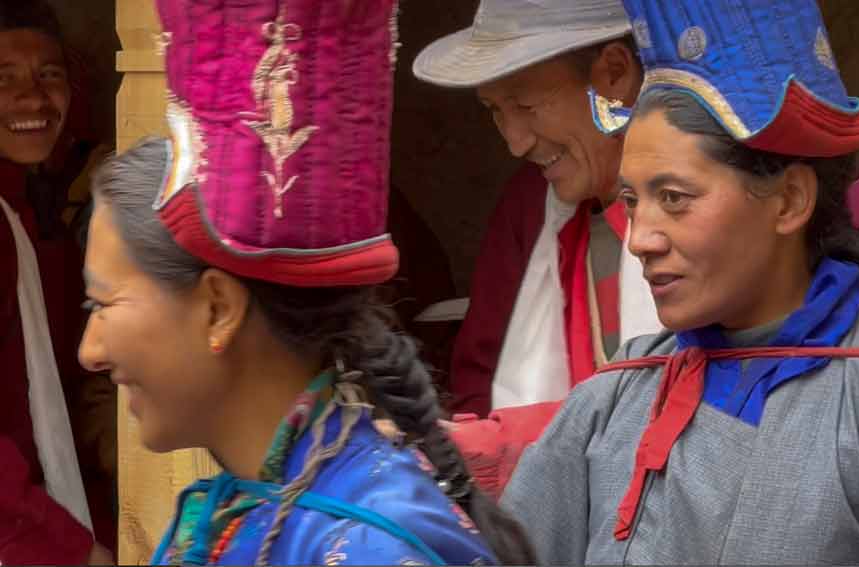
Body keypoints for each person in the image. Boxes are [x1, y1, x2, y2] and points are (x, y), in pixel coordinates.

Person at [502, 0, 859, 564]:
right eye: (633, 200)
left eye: (674, 199)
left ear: (789, 200)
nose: (640, 238)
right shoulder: (609, 403)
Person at [77, 0, 533, 564]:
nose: (90, 351)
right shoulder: (229, 513)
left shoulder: (372, 549)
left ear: (219, 307)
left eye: (102, 303)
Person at [413, 0, 662, 497]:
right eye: (495, 111)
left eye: (525, 106)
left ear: (614, 74)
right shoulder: (535, 209)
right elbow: (480, 373)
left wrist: (495, 446)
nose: (515, 142)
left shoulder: (712, 226)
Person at [0, 1, 114, 563]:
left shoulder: (28, 211)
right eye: (3, 79)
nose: (32, 98)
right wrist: (68, 548)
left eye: (48, 75)